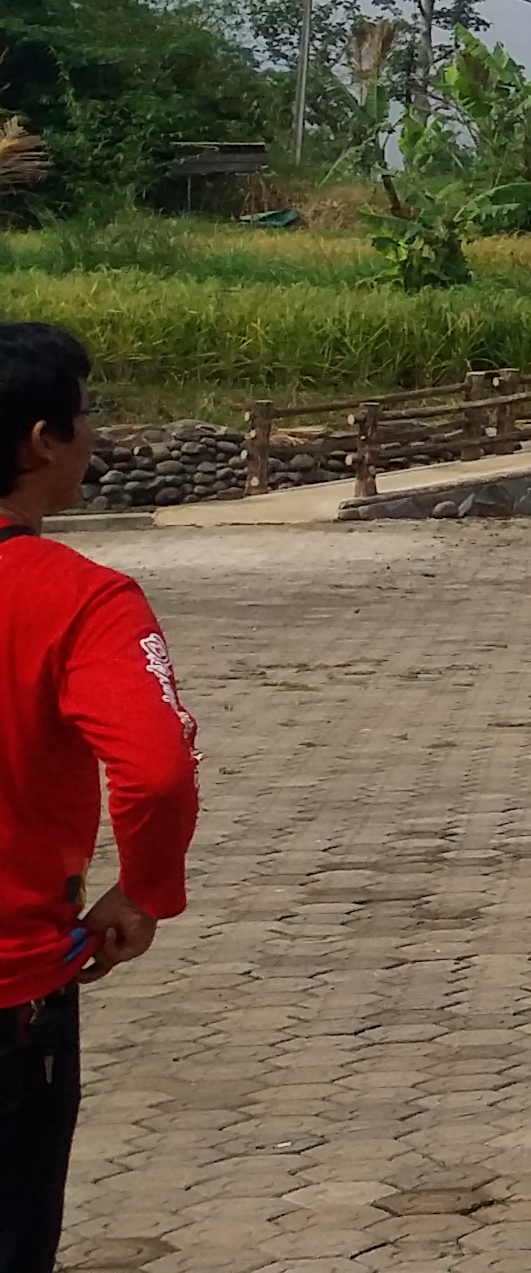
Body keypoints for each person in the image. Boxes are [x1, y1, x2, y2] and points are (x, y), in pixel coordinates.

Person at [0, 325, 201, 1273]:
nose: (95, 437)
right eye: (87, 418)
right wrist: (146, 889)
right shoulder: (81, 600)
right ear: (42, 441)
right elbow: (156, 767)